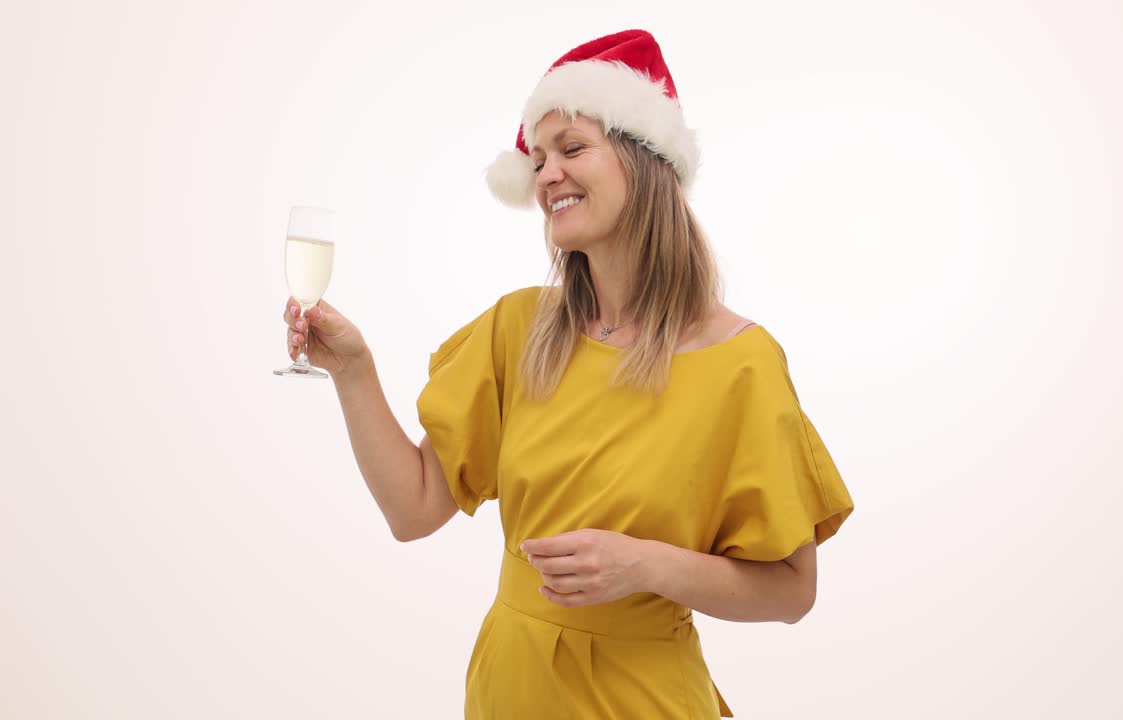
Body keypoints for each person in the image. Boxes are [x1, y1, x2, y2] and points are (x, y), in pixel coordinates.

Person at [280, 29, 854, 719]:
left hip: (642, 698)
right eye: (539, 157)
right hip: (510, 689)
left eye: (572, 149)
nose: (545, 173)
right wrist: (354, 371)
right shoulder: (519, 331)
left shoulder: (741, 364)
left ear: (646, 161)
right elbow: (414, 508)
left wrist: (644, 567)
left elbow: (793, 591)